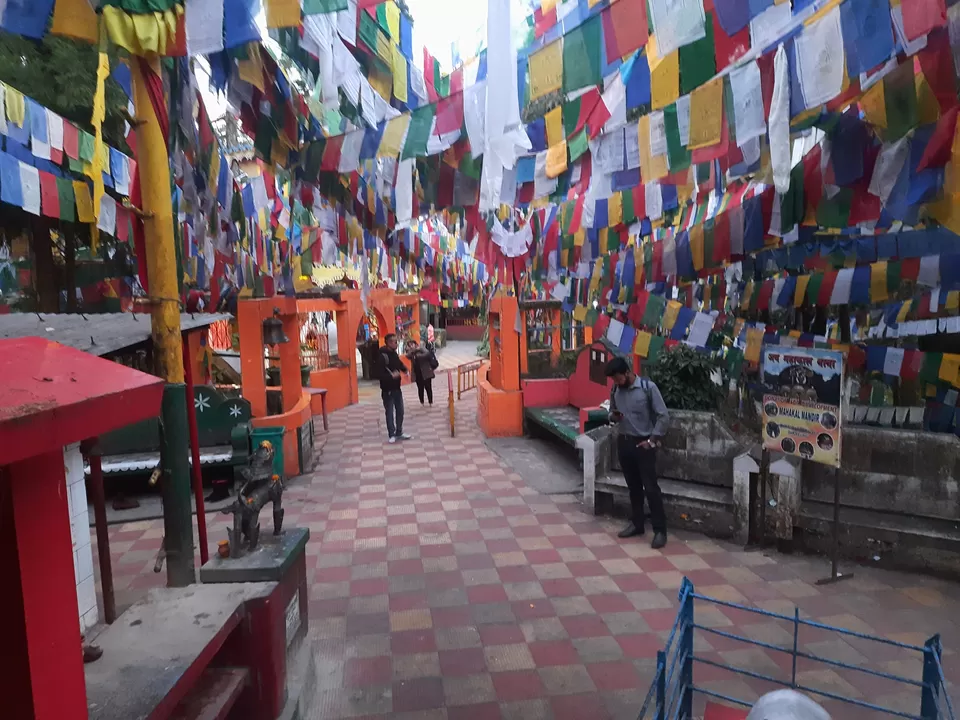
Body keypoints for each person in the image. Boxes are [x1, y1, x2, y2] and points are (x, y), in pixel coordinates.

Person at [605, 356, 670, 549]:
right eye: (613, 380)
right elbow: (611, 412)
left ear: (627, 372)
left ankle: (660, 531)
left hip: (644, 444)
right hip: (624, 442)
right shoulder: (616, 390)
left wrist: (652, 440)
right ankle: (637, 523)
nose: (616, 382)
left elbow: (663, 416)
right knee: (633, 487)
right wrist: (613, 416)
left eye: (618, 378)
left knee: (651, 488)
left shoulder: (648, 388)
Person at [379, 333, 412, 443]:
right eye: (394, 342)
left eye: (396, 341)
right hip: (387, 389)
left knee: (400, 411)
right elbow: (377, 373)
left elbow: (399, 364)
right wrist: (390, 376)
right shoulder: (382, 356)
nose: (396, 344)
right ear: (388, 343)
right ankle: (391, 434)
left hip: (397, 388)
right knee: (389, 412)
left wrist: (405, 370)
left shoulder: (394, 354)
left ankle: (399, 432)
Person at [405, 339, 437, 406]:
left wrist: (418, 351)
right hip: (417, 373)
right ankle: (422, 401)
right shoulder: (411, 353)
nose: (411, 346)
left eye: (412, 344)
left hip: (426, 372)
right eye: (409, 345)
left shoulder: (421, 349)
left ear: (415, 344)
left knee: (428, 387)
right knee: (420, 388)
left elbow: (427, 354)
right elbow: (407, 356)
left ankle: (430, 401)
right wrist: (412, 351)